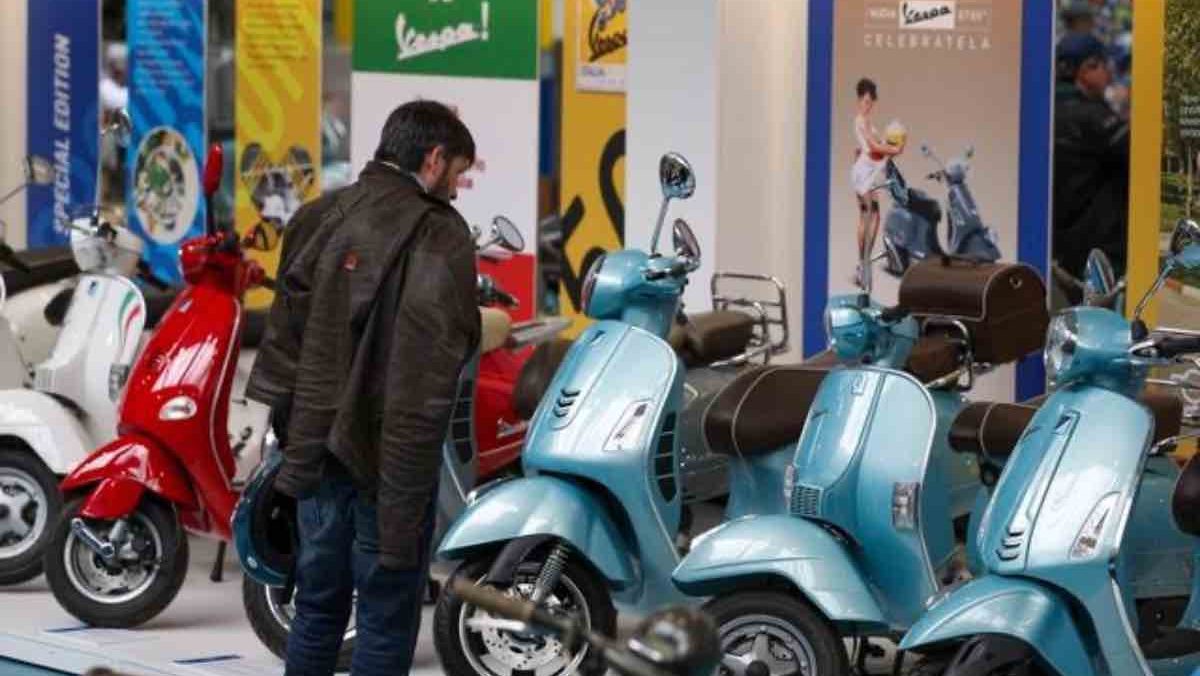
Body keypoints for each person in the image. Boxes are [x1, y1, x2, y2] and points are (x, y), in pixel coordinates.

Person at [245, 100, 482, 675]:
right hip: (389, 462)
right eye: (457, 173)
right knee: (384, 616)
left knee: (316, 606)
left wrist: (293, 442)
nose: (457, 188)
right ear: (433, 159)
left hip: (314, 452)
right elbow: (432, 371)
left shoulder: (317, 216)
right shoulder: (441, 234)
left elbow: (283, 343)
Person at [1052, 33, 1130, 294]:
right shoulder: (1094, 117)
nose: (1109, 72)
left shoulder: (1047, 108)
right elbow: (1134, 156)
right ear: (1087, 69)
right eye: (1103, 65)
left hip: (1062, 247)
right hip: (1099, 249)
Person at [850, 77, 904, 288]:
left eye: (871, 101)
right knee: (869, 214)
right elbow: (873, 146)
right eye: (866, 101)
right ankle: (862, 264)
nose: (868, 105)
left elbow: (874, 146)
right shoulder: (860, 121)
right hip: (863, 173)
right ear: (859, 100)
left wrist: (892, 147)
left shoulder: (867, 122)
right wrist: (893, 149)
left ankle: (863, 264)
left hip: (868, 172)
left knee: (872, 215)